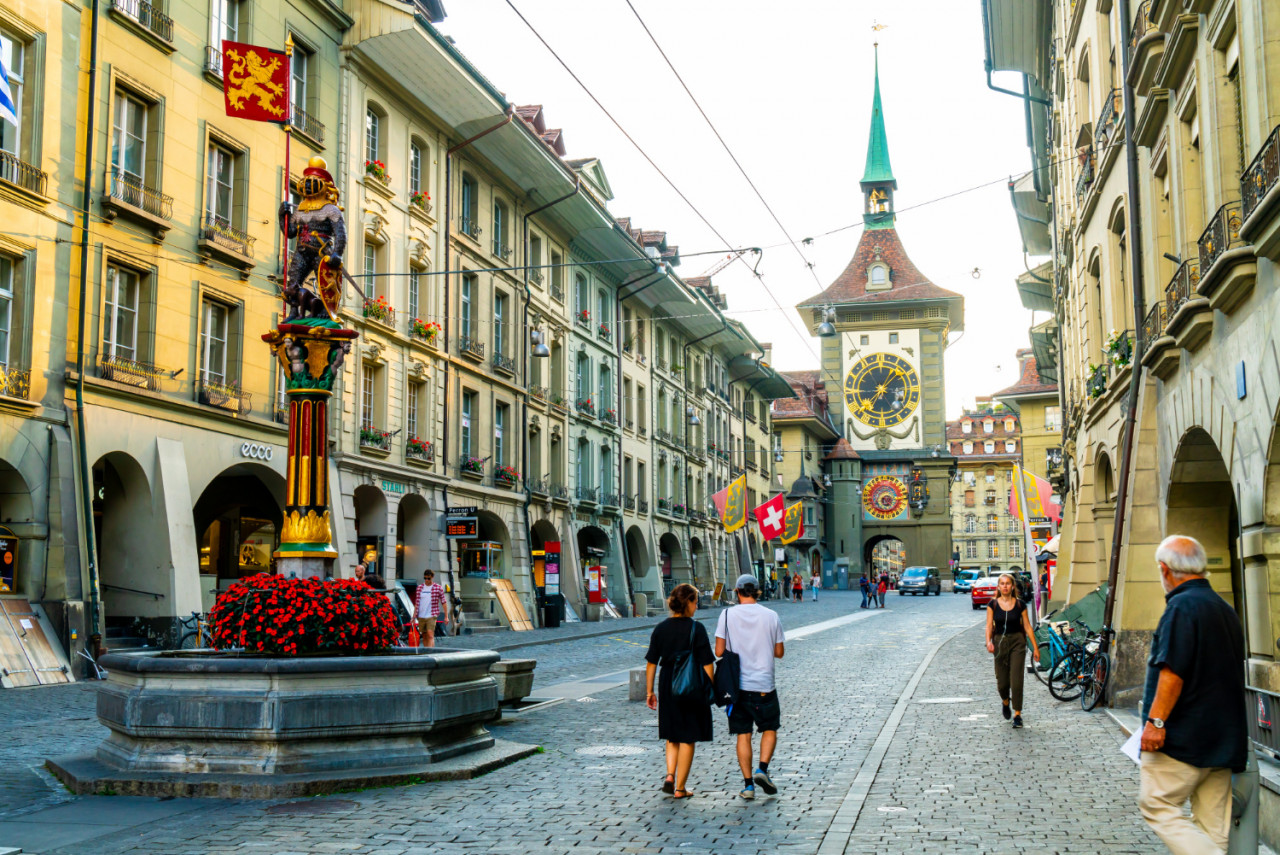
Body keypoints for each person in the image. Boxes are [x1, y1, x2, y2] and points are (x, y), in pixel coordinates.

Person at [1138, 535, 1246, 854]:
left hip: (1184, 738)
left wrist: (1155, 723)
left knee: (1157, 805)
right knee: (1213, 827)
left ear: (1164, 569)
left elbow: (1173, 672)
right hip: (1223, 739)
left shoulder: (1181, 606)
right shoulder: (1224, 608)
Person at [715, 574, 785, 800]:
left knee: (743, 735)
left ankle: (748, 786)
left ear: (736, 591)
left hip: (737, 687)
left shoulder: (726, 614)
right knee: (770, 728)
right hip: (764, 684)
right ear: (758, 592)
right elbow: (779, 652)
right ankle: (762, 770)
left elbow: (718, 651)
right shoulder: (771, 616)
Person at [644, 583, 714, 800]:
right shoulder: (696, 628)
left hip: (667, 683)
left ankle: (670, 775)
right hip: (690, 684)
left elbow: (651, 663)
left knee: (672, 734)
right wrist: (709, 688)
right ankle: (681, 788)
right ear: (689, 603)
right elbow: (707, 663)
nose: (696, 607)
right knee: (688, 737)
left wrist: (649, 692)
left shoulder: (661, 628)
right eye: (695, 602)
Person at [984, 572, 1039, 728]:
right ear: (999, 587)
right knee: (1002, 682)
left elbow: (1027, 626)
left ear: (1012, 586)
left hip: (1017, 642)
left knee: (1016, 679)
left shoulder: (1020, 604)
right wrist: (988, 642)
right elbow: (989, 626)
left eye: (1008, 583)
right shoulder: (992, 605)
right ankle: (1005, 701)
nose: (1005, 586)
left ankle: (1017, 714)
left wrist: (1035, 647)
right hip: (999, 642)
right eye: (1002, 583)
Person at [414, 570, 449, 649]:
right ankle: (426, 652)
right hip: (421, 615)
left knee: (430, 634)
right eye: (425, 578)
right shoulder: (420, 588)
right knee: (424, 635)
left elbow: (443, 602)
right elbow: (417, 603)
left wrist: (446, 616)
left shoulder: (438, 588)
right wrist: (413, 617)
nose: (426, 580)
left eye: (428, 578)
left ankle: (430, 653)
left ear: (432, 577)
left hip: (432, 614)